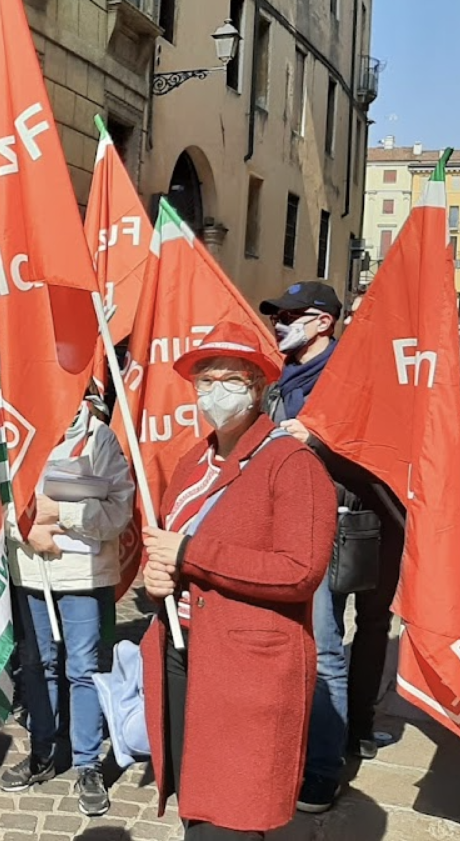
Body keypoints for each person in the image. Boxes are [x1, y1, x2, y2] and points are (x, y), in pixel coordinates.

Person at [140, 321, 336, 838]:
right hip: (184, 654)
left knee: (229, 816)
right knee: (197, 805)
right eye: (206, 379)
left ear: (259, 386)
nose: (215, 392)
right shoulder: (191, 461)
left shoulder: (291, 464)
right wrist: (157, 576)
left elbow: (300, 571)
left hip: (247, 670)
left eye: (231, 379)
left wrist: (193, 554)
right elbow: (171, 549)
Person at [259, 280, 405, 813]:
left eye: (290, 314)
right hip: (281, 529)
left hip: (334, 525)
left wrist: (318, 440)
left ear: (322, 321)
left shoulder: (352, 377)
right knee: (290, 646)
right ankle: (300, 742)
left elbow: (379, 451)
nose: (280, 323)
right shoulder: (280, 379)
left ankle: (323, 767)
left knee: (324, 649)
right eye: (277, 315)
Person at [0, 387, 135, 816]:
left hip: (82, 575)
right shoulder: (14, 432)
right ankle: (42, 751)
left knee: (84, 668)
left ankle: (88, 763)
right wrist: (26, 529)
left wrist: (60, 512)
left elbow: (118, 511)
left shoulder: (99, 438)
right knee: (37, 663)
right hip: (31, 571)